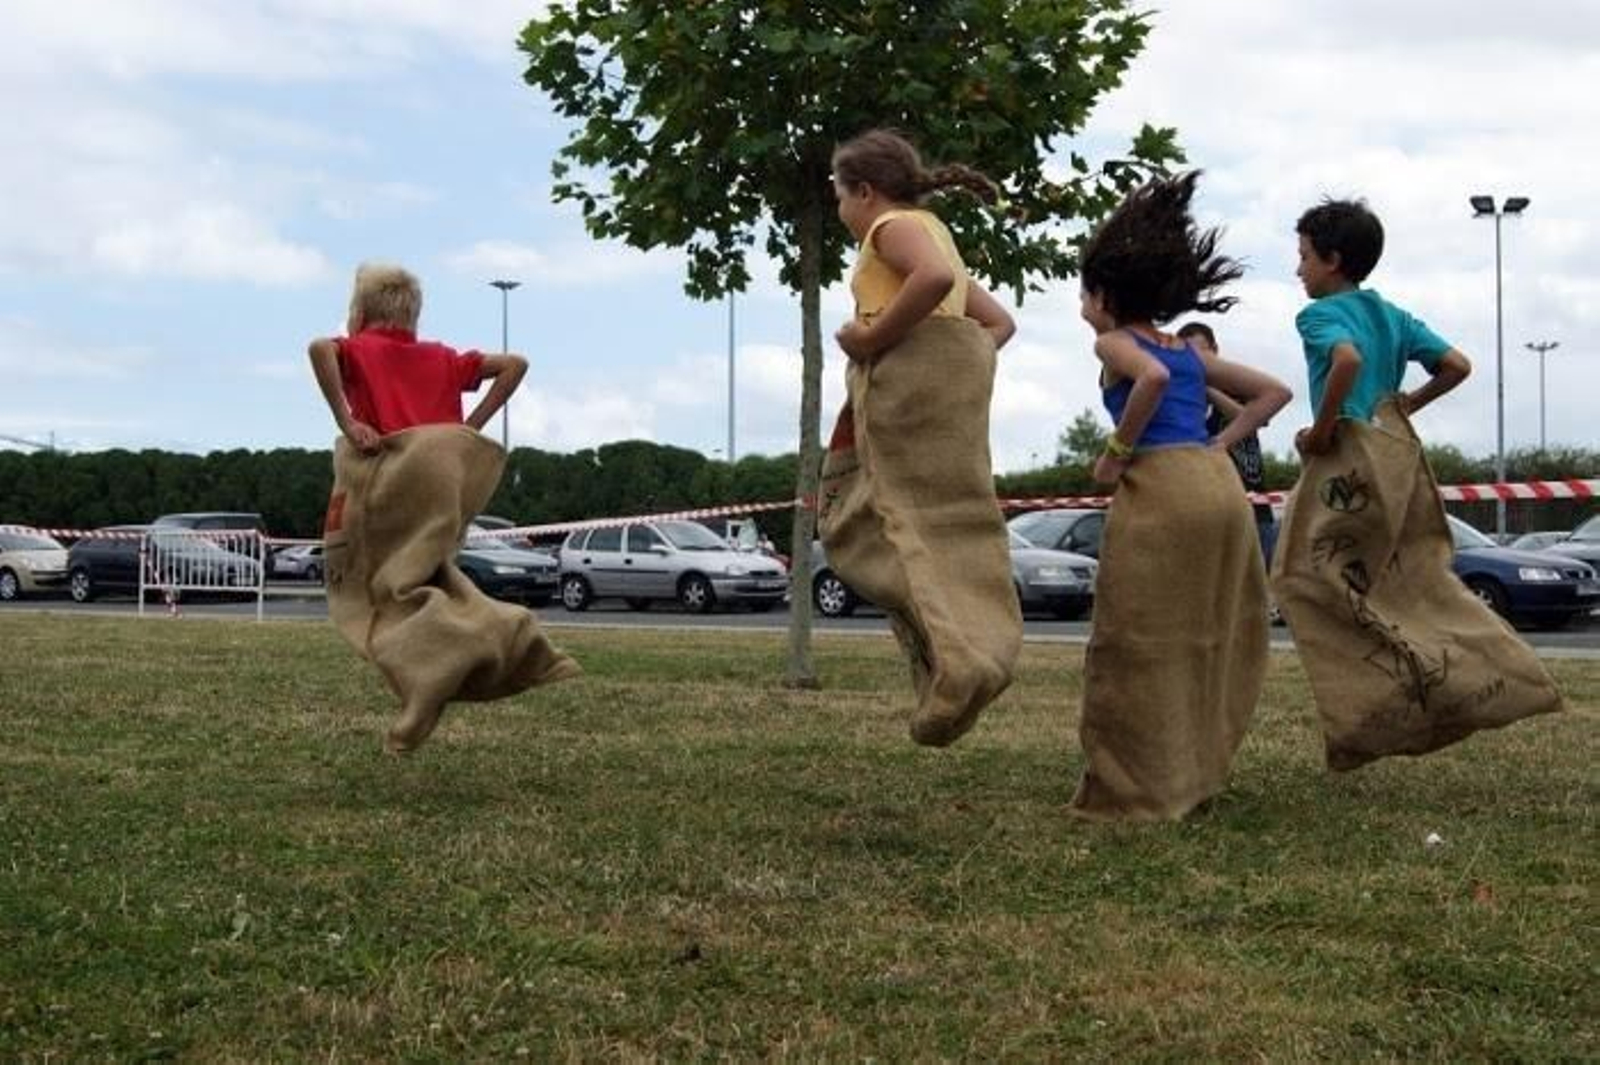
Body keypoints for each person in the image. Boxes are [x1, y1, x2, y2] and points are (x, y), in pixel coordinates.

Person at [1274, 198, 1562, 769]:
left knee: (1300, 578)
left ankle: (1380, 709)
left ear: (1332, 260)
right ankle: (1505, 673)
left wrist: (1323, 431)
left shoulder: (1317, 316)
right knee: (1415, 582)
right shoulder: (1394, 315)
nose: (1297, 268)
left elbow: (1347, 361)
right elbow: (1456, 364)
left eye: (1304, 256)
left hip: (1350, 468)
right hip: (1398, 459)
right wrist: (1407, 403)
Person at [1071, 171, 1292, 821]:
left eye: (1085, 292)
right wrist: (1219, 446)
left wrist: (1116, 453)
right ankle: (1194, 770)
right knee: (1202, 634)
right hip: (1216, 489)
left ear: (1106, 295)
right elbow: (1273, 393)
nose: (1082, 304)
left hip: (1164, 490)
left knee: (1134, 637)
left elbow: (1150, 378)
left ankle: (1135, 786)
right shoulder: (1186, 348)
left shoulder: (1116, 342)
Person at [310, 263, 579, 754]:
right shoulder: (440, 357)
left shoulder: (362, 349)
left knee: (379, 598)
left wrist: (347, 421)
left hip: (394, 479)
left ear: (360, 312)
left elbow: (318, 349)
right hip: (442, 485)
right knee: (436, 583)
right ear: (412, 314)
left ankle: (426, 683)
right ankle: (521, 642)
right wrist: (468, 428)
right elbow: (515, 363)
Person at [817, 128, 1022, 747]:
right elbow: (996, 324)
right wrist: (948, 373)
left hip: (901, 405)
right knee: (941, 532)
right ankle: (968, 654)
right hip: (944, 416)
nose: (838, 207)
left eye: (838, 193)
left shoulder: (891, 230)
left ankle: (955, 660)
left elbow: (930, 280)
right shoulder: (938, 231)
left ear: (866, 192)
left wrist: (873, 340)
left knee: (859, 530)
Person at [1176, 321, 1278, 562]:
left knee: (1256, 591)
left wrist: (1210, 390)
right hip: (1215, 508)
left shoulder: (1236, 384)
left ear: (1215, 350)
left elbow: (1254, 419)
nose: (1198, 360)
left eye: (1203, 352)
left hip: (1255, 508)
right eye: (1189, 354)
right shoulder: (1186, 397)